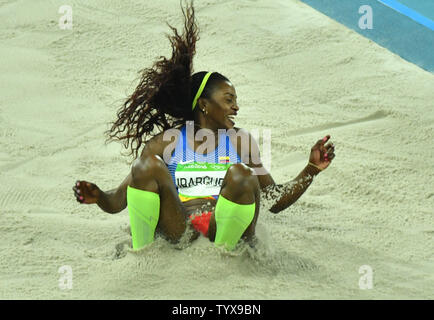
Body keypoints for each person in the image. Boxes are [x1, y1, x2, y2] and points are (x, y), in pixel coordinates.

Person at [72, 1, 335, 251]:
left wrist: (311, 169)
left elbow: (271, 200)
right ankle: (142, 252)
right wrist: (99, 198)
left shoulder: (240, 141)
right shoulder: (166, 142)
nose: (236, 107)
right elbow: (120, 198)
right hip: (179, 229)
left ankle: (226, 254)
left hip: (222, 229)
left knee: (242, 174)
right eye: (229, 99)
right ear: (205, 105)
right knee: (145, 165)